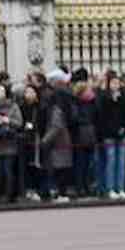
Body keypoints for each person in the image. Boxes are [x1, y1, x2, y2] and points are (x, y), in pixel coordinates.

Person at [40, 69, 74, 202]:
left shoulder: (55, 109)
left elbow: (55, 126)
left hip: (58, 143)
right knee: (60, 169)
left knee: (59, 169)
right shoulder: (59, 104)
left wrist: (44, 141)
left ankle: (61, 193)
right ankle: (60, 192)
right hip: (61, 142)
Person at [97, 72, 125, 199]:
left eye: (117, 83)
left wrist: (124, 129)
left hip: (122, 134)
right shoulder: (104, 97)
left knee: (121, 162)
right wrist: (113, 101)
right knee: (111, 162)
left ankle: (120, 188)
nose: (115, 85)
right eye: (113, 83)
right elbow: (103, 116)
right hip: (109, 135)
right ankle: (110, 188)